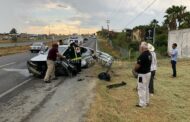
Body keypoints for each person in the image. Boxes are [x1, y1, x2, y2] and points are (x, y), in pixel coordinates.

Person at [134, 42, 152, 108]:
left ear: (142, 48)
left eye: (140, 47)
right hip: (148, 73)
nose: (139, 49)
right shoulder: (149, 54)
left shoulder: (142, 55)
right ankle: (146, 101)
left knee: (141, 88)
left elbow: (137, 66)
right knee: (146, 87)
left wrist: (135, 69)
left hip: (142, 74)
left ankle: (142, 103)